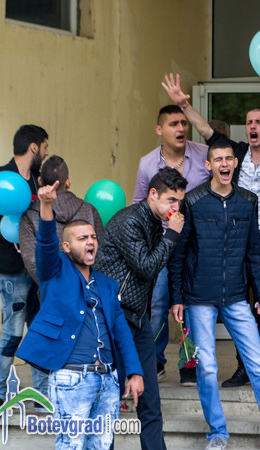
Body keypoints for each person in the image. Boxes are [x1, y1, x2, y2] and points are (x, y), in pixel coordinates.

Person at [168, 142, 260, 450]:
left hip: (236, 297)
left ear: (236, 163)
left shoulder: (248, 201)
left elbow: (253, 254)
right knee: (207, 367)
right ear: (208, 166)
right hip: (198, 298)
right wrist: (176, 297)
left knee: (259, 364)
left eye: (228, 159)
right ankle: (217, 434)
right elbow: (178, 254)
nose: (223, 163)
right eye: (217, 159)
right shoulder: (193, 201)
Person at [162, 73, 260, 388]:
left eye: (259, 122)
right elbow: (207, 132)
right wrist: (184, 105)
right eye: (249, 122)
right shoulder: (235, 154)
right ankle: (243, 368)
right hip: (233, 239)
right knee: (239, 307)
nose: (253, 126)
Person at [16, 181, 144, 449]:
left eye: (93, 237)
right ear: (66, 246)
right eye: (82, 238)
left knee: (101, 445)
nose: (91, 241)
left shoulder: (108, 285)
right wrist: (46, 205)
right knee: (71, 445)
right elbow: (46, 243)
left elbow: (121, 332)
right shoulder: (53, 272)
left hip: (107, 379)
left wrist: (134, 372)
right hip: (72, 377)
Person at [95, 168, 187, 450]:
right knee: (109, 401)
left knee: (150, 402)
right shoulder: (130, 221)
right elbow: (146, 267)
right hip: (113, 319)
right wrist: (172, 236)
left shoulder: (155, 222)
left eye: (179, 202)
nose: (176, 208)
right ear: (153, 194)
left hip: (138, 319)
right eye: (171, 200)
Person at [132, 104, 210, 386]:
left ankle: (190, 364)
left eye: (183, 123)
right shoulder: (147, 163)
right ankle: (154, 360)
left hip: (198, 244)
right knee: (158, 303)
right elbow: (139, 205)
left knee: (193, 305)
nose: (181, 128)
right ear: (159, 129)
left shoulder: (204, 155)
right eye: (173, 124)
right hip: (163, 244)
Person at [0, 124, 49, 414]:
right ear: (33, 147)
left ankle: (41, 395)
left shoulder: (40, 181)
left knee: (40, 330)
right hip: (11, 269)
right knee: (12, 332)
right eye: (44, 147)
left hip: (39, 269)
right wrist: (12, 232)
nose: (46, 152)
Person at [20, 155, 104, 284]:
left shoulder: (29, 216)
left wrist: (55, 286)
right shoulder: (90, 210)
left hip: (50, 292)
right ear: (68, 182)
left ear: (40, 181)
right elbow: (101, 253)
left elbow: (32, 262)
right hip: (87, 289)